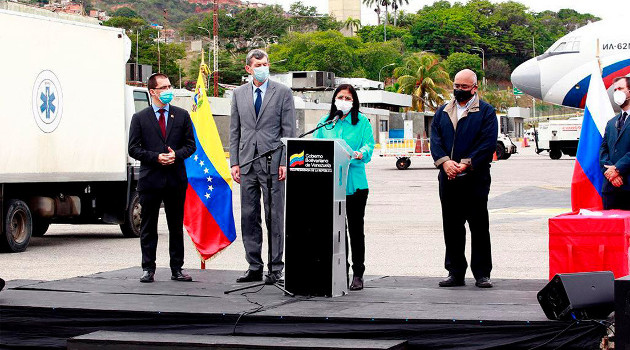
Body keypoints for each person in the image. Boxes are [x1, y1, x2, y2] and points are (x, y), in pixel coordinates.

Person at [229, 49, 296, 284]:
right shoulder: (238, 94)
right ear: (248, 68)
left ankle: (276, 267)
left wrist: (287, 162)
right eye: (258, 64)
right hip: (247, 163)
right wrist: (234, 162)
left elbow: (289, 131)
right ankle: (254, 265)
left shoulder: (283, 93)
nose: (263, 67)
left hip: (274, 163)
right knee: (249, 216)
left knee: (274, 216)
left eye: (266, 63)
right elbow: (235, 130)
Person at [430, 69, 498, 289]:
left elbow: (488, 143)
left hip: (475, 178)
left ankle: (482, 273)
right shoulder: (442, 111)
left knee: (478, 226)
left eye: (464, 87)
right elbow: (435, 140)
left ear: (474, 88)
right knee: (452, 226)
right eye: (456, 86)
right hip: (448, 178)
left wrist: (466, 162)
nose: (459, 90)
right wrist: (445, 162)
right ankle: (455, 272)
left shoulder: (486, 111)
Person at [128, 73, 196, 283]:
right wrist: (156, 157)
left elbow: (191, 145)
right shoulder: (140, 118)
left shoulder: (182, 115)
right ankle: (148, 268)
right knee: (149, 226)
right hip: (151, 180)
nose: (168, 91)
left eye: (169, 86)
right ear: (153, 92)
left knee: (175, 226)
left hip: (175, 179)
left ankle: (177, 268)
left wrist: (176, 155)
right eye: (163, 87)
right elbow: (133, 148)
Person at [313, 84, 375, 291]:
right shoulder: (325, 122)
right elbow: (316, 148)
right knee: (334, 231)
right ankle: (338, 271)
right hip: (329, 184)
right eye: (340, 97)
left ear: (354, 101)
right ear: (334, 100)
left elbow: (369, 146)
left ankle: (358, 273)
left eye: (348, 98)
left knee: (355, 230)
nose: (344, 101)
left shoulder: (362, 122)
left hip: (355, 184)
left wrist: (359, 153)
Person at [600, 76, 630, 209]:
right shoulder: (611, 122)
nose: (617, 92)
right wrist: (611, 175)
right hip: (611, 189)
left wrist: (617, 169)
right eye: (615, 90)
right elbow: (603, 150)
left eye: (621, 88)